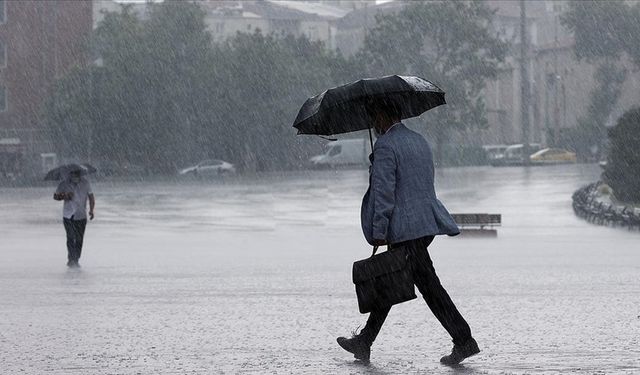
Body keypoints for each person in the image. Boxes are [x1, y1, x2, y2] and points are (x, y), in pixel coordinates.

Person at [337, 99, 479, 365]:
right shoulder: (419, 141)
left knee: (428, 287)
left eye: (374, 117)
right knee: (390, 281)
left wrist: (379, 230)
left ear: (382, 114)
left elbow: (384, 194)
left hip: (404, 230)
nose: (373, 124)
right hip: (424, 225)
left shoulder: (386, 146)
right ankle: (364, 341)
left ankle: (464, 340)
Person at [53, 169, 95, 267]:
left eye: (77, 174)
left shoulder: (86, 183)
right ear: (70, 174)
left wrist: (91, 210)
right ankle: (71, 259)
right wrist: (64, 196)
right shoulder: (63, 184)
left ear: (80, 174)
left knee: (79, 238)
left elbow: (91, 197)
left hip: (81, 215)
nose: (75, 176)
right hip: (68, 215)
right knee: (71, 237)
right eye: (73, 174)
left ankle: (76, 258)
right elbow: (55, 196)